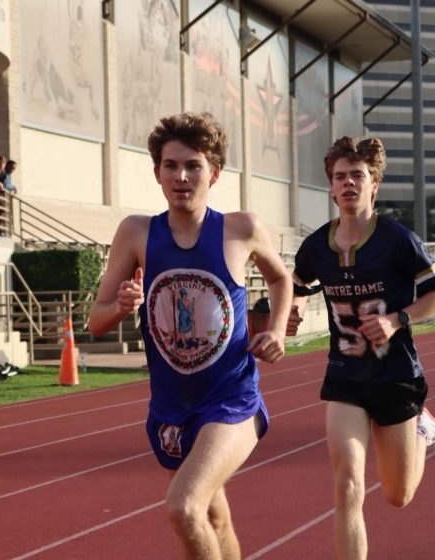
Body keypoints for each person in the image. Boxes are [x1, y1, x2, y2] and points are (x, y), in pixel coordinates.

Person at [87, 112, 292, 559]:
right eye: (170, 165)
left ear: (214, 173)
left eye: (193, 165)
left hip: (231, 399)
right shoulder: (137, 233)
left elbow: (280, 279)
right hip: (170, 406)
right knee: (214, 520)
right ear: (157, 172)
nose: (181, 176)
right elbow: (95, 321)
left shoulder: (242, 229)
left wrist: (276, 329)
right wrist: (120, 306)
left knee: (184, 508)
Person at [286, 136, 435, 560]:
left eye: (357, 176)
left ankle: (421, 428)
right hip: (345, 376)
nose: (348, 183)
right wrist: (290, 311)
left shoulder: (396, 239)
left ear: (373, 184)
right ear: (330, 186)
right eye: (340, 176)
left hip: (395, 375)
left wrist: (397, 319)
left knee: (398, 496)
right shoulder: (316, 246)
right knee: (347, 485)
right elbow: (297, 283)